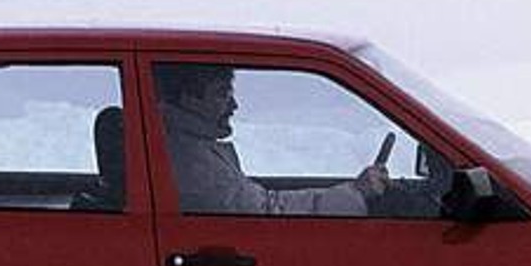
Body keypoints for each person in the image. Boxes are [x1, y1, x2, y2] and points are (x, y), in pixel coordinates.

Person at [156, 64, 389, 216]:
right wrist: (356, 193)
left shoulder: (184, 145)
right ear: (189, 99)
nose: (234, 105)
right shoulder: (192, 161)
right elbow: (264, 210)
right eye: (221, 94)